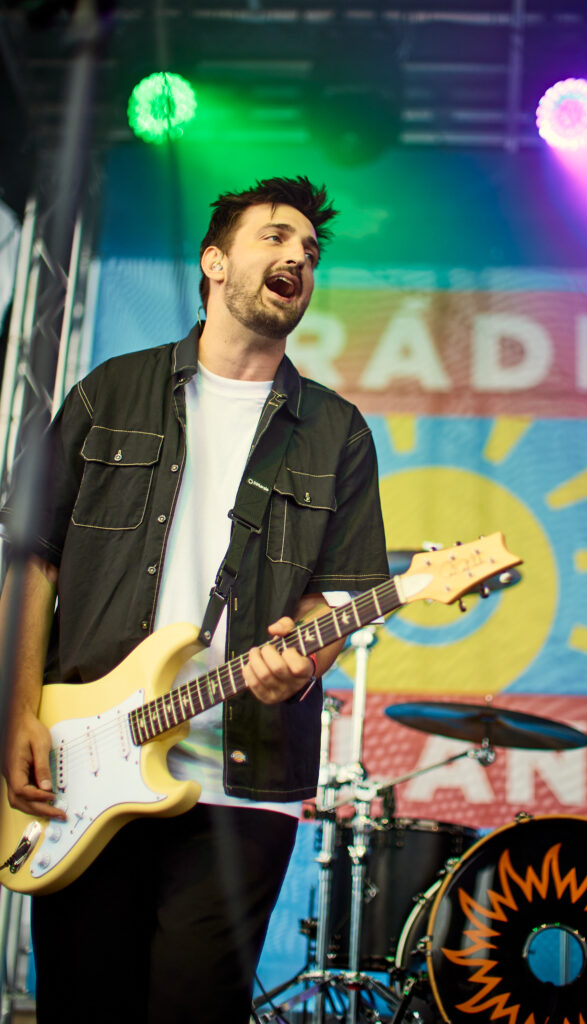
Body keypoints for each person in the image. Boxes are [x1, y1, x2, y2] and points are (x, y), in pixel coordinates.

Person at [0, 176, 388, 1023]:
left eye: (310, 251)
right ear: (214, 262)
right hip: (83, 761)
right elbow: (33, 559)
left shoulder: (335, 431)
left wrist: (303, 661)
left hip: (239, 779)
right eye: (275, 237)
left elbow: (338, 593)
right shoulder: (110, 393)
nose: (298, 257)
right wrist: (16, 710)